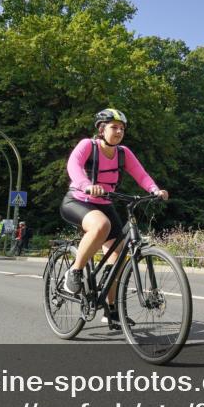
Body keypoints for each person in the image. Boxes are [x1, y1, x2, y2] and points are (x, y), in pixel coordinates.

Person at [59, 108, 168, 329]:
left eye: (122, 129)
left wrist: (155, 190)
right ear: (101, 129)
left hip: (105, 203)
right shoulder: (87, 145)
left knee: (118, 256)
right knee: (101, 225)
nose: (119, 132)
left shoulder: (123, 153)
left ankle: (112, 311)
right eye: (114, 127)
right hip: (78, 201)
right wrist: (86, 185)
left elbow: (141, 174)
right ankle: (75, 271)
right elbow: (73, 166)